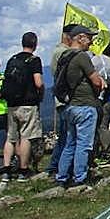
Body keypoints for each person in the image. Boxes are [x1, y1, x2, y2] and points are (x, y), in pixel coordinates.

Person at [56, 25, 105, 187]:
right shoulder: (82, 56)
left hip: (70, 105)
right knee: (84, 144)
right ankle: (80, 179)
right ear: (80, 38)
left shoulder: (64, 55)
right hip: (85, 105)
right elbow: (96, 80)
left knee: (70, 143)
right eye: (89, 38)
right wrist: (99, 86)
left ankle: (62, 177)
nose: (91, 41)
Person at [1, 31, 44, 181]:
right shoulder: (34, 60)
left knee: (11, 137)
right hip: (28, 104)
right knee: (26, 136)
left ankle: (6, 170)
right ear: (35, 44)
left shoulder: (12, 59)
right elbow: (38, 82)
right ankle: (23, 170)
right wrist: (41, 92)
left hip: (11, 104)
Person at [46, 24, 75, 178]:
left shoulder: (57, 51)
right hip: (65, 98)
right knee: (66, 135)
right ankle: (57, 167)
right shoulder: (63, 52)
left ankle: (55, 165)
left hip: (59, 97)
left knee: (65, 135)